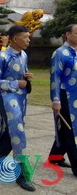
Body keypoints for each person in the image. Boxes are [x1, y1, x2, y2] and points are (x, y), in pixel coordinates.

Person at [0, 25, 35, 192]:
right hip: (7, 100)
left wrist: (26, 78)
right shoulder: (2, 56)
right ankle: (20, 174)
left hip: (21, 99)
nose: (28, 40)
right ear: (15, 39)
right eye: (25, 37)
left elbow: (22, 74)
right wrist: (15, 83)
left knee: (12, 132)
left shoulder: (24, 55)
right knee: (18, 133)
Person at [47, 24, 77, 176]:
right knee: (70, 131)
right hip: (65, 95)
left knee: (66, 128)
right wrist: (56, 99)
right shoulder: (60, 53)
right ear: (68, 34)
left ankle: (55, 156)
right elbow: (55, 78)